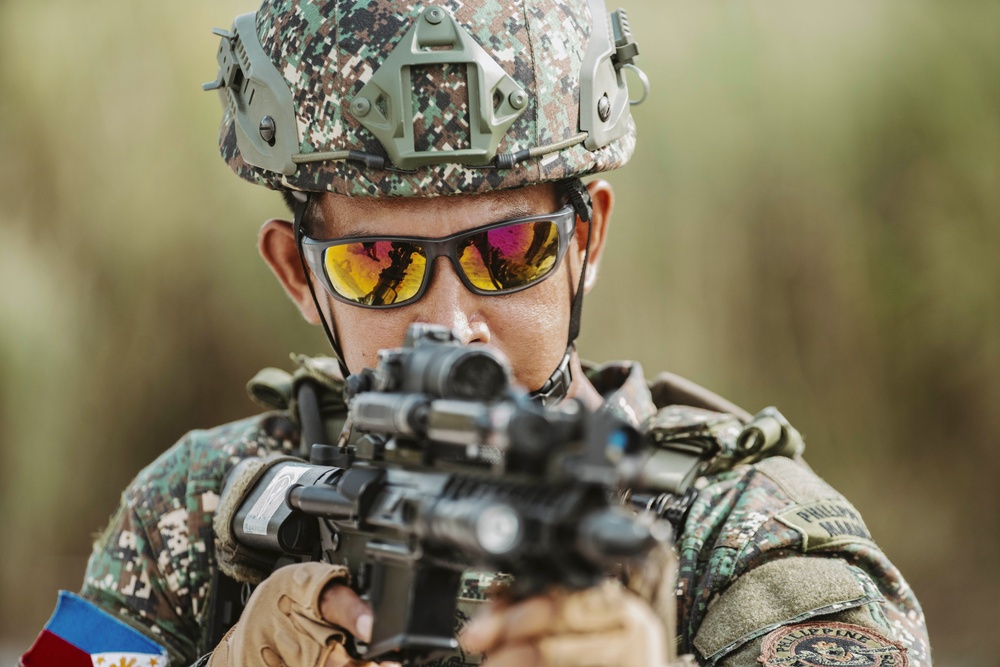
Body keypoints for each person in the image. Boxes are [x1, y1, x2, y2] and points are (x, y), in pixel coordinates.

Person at [21, 0, 932, 666]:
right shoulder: (203, 503)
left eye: (507, 249)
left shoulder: (758, 540)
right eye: (379, 263)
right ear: (299, 274)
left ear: (589, 241)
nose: (452, 322)